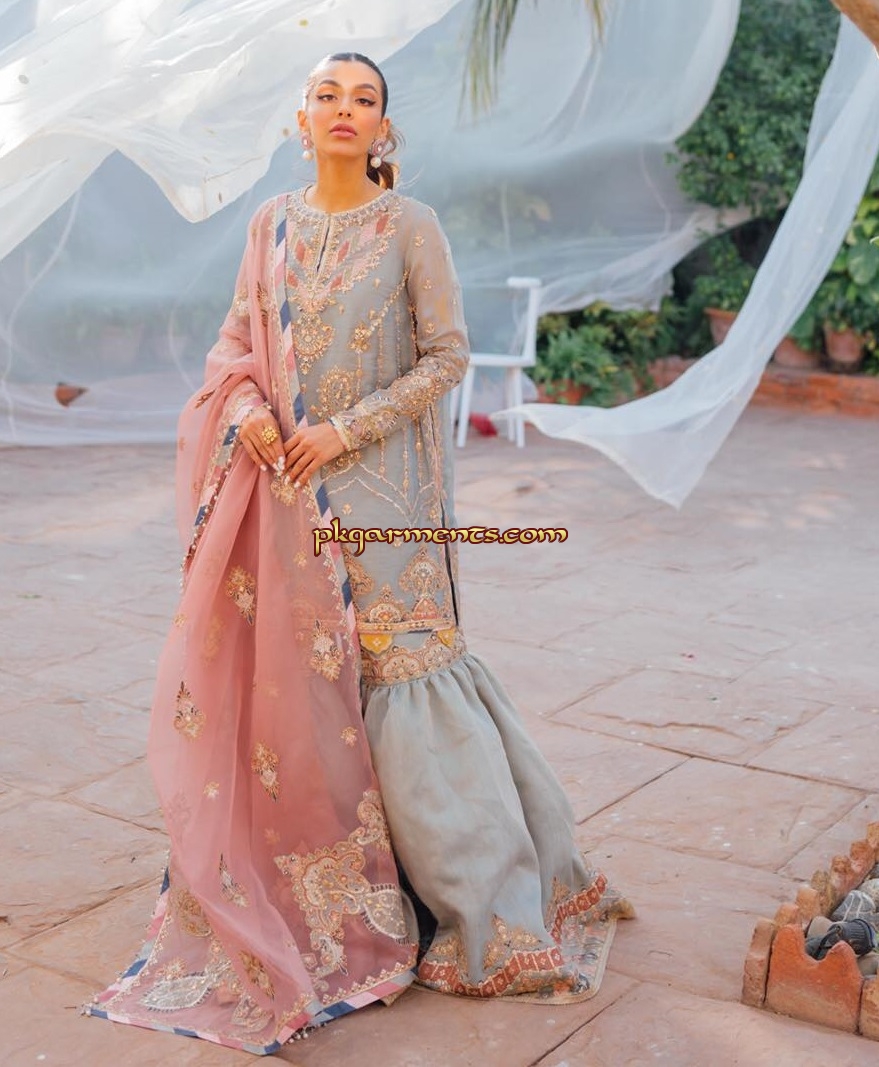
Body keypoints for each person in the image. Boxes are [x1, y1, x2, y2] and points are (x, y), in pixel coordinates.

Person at [86, 52, 632, 1055]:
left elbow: (447, 355)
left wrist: (346, 430)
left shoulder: (410, 225)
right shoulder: (269, 226)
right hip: (290, 497)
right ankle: (348, 898)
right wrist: (248, 412)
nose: (345, 110)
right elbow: (233, 344)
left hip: (387, 495)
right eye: (327, 96)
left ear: (385, 127)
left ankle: (481, 907)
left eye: (364, 99)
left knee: (406, 675)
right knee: (309, 687)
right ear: (300, 120)